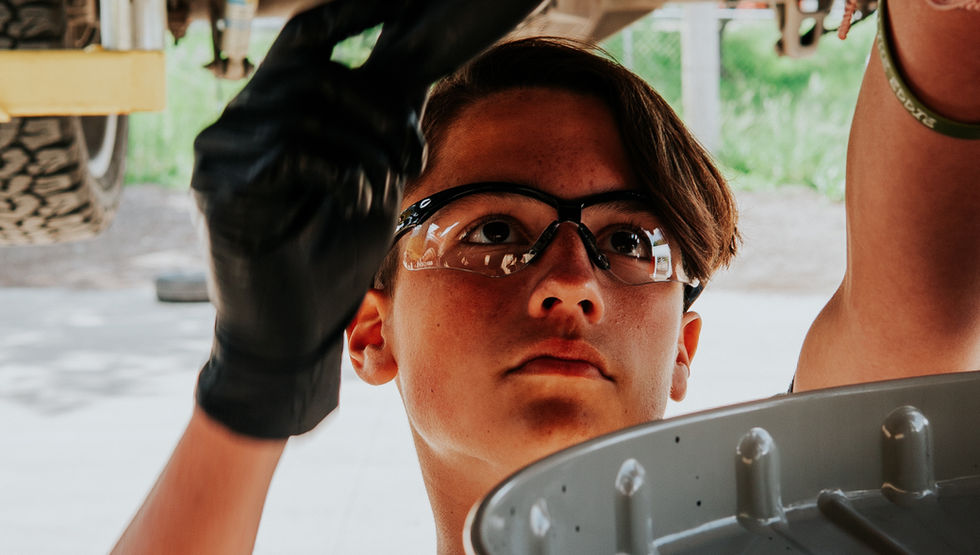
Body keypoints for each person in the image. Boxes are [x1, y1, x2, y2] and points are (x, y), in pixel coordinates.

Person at [112, 0, 979, 553]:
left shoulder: (792, 529)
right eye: (493, 229)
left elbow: (920, 316)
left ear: (683, 345)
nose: (572, 282)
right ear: (373, 331)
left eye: (632, 242)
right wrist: (255, 386)